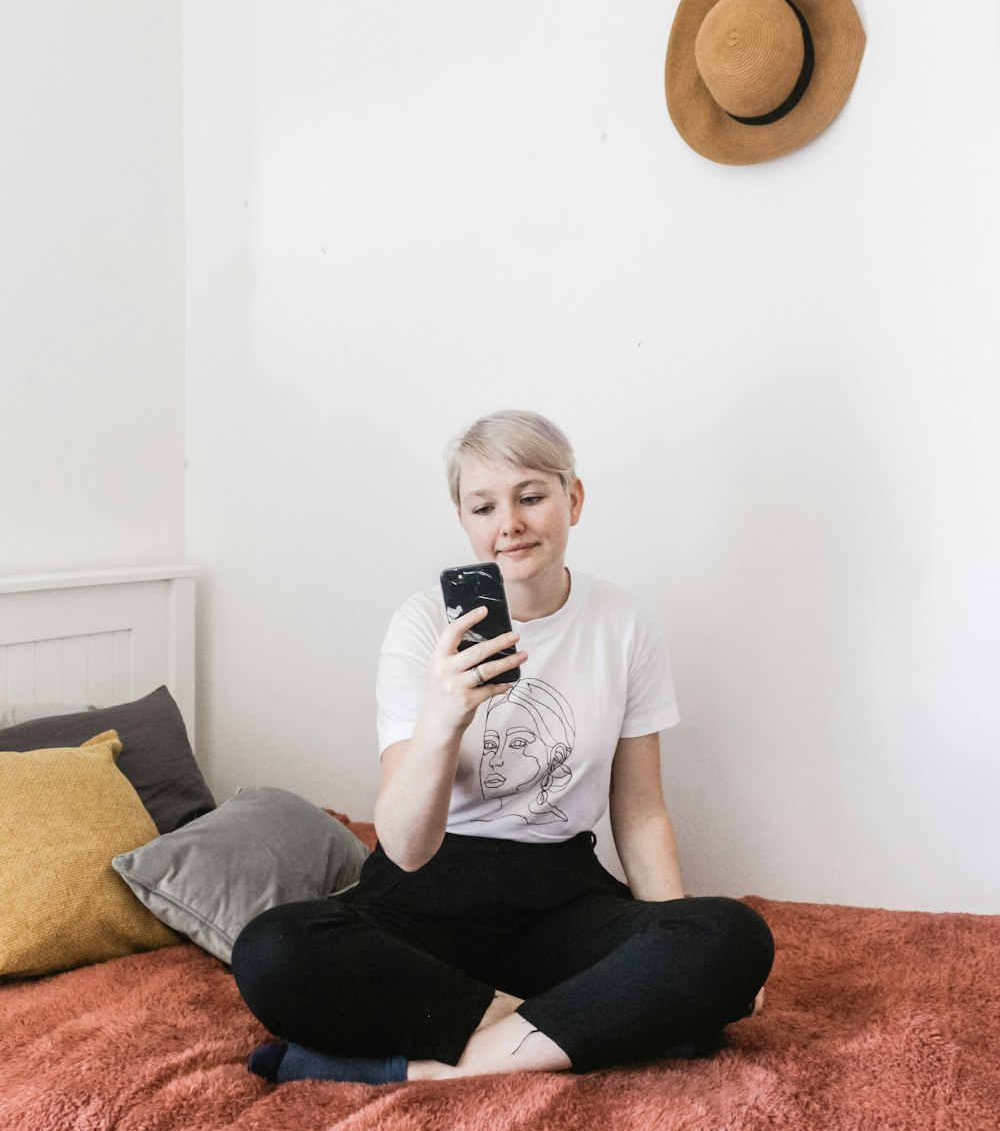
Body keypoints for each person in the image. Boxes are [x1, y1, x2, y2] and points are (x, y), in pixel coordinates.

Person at [231, 409, 774, 1084]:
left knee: (732, 937)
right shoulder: (423, 622)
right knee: (272, 950)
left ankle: (435, 1069)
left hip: (560, 897)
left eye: (531, 496)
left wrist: (675, 940)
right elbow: (402, 845)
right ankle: (589, 1025)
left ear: (572, 499)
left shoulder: (624, 623)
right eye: (483, 505)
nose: (508, 523)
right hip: (423, 893)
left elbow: (638, 811)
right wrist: (443, 717)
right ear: (463, 519)